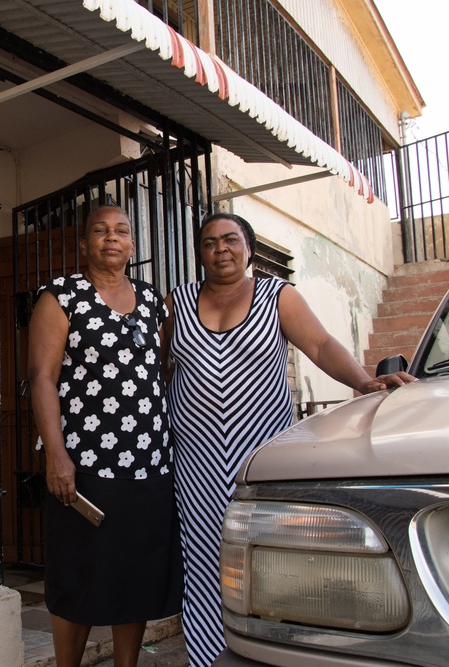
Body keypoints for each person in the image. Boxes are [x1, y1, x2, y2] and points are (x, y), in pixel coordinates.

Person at [162, 212, 417, 667]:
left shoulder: (277, 295)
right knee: (203, 564)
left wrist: (363, 382)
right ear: (199, 253)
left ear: (249, 247)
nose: (220, 249)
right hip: (195, 465)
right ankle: (206, 659)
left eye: (230, 240)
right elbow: (158, 369)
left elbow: (319, 345)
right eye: (209, 243)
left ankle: (273, 655)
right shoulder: (176, 302)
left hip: (260, 459)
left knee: (270, 566)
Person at [28, 205, 183, 667]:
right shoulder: (61, 296)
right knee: (78, 575)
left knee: (134, 576)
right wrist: (57, 455)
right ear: (84, 245)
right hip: (84, 466)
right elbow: (40, 377)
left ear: (132, 246)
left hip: (149, 464)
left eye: (120, 231)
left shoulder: (156, 302)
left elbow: (163, 370)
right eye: (100, 231)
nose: (111, 238)